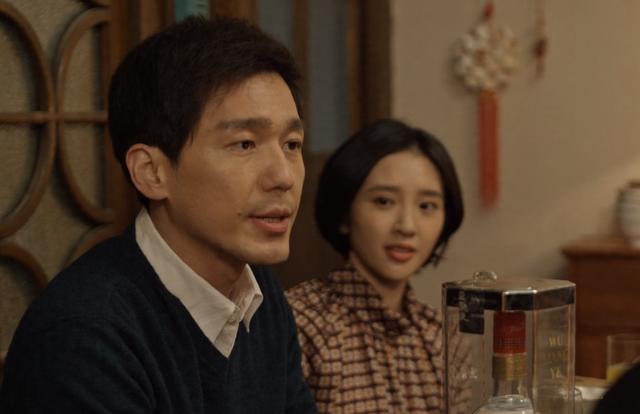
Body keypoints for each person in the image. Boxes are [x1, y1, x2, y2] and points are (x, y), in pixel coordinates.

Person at [0, 16, 316, 413]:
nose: (284, 176)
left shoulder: (258, 294)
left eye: (291, 144)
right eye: (244, 144)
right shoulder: (84, 335)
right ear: (151, 172)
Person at [286, 119, 469, 413]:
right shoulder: (300, 324)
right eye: (384, 201)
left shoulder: (442, 337)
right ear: (344, 215)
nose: (407, 226)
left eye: (426, 206)